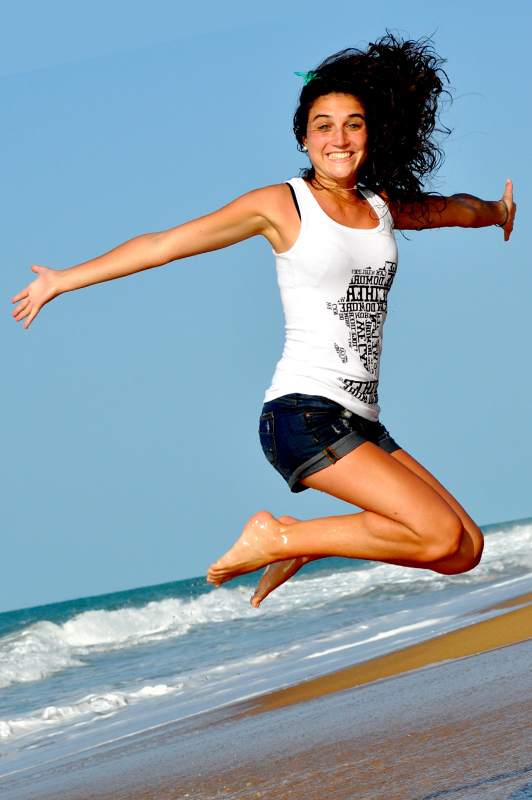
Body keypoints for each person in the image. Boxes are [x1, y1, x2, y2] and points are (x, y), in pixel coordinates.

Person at [12, 35, 515, 609]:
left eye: (353, 124)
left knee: (464, 548)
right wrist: (61, 279)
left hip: (361, 419)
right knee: (436, 534)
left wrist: (498, 212)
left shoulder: (380, 206)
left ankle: (305, 543)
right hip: (303, 414)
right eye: (324, 125)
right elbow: (164, 244)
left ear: (372, 135)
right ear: (304, 136)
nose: (339, 138)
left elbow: (453, 209)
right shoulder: (283, 205)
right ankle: (281, 537)